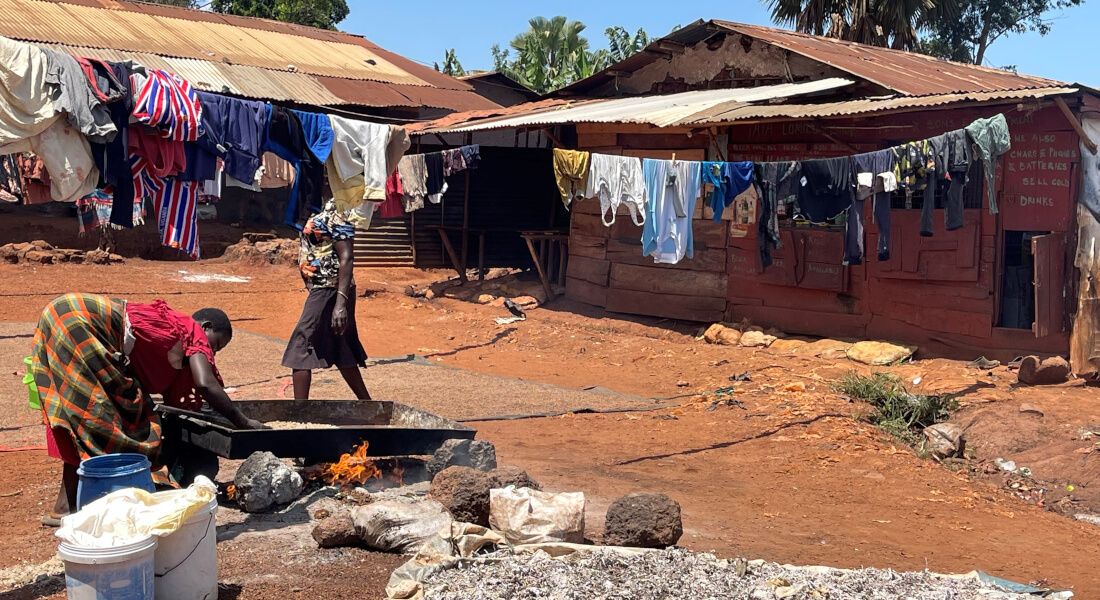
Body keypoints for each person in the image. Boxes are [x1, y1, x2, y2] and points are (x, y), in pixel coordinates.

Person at [31, 293, 263, 525]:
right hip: (78, 321)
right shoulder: (193, 331)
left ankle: (64, 507)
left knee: (83, 421)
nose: (212, 354)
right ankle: (127, 498)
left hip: (64, 313)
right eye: (216, 344)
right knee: (111, 421)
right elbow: (205, 383)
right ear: (206, 326)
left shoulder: (170, 340)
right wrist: (243, 423)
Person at [282, 198, 371, 400]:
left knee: (302, 343)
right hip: (323, 288)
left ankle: (300, 413)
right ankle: (367, 404)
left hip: (330, 288)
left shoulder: (339, 205)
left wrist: (340, 303)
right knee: (341, 345)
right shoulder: (312, 202)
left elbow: (346, 257)